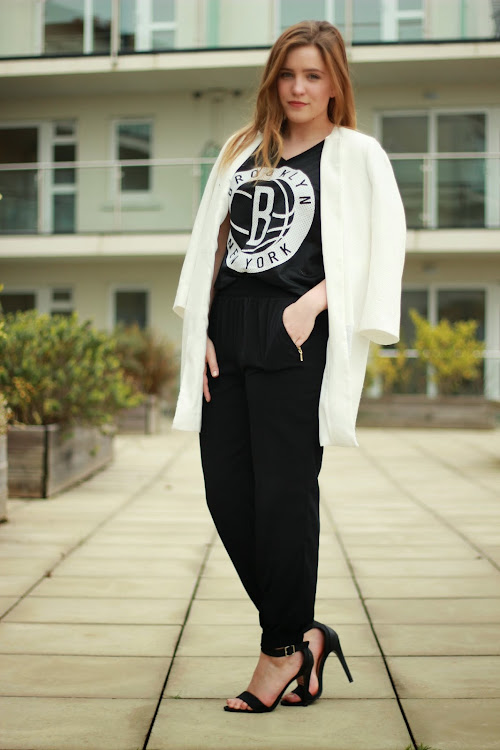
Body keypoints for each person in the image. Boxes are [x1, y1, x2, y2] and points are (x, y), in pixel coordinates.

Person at [172, 20, 406, 713]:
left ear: (335, 83)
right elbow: (212, 242)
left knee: (283, 497)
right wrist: (202, 327)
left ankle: (279, 653)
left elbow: (383, 246)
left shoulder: (356, 154)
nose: (298, 87)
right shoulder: (242, 149)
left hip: (295, 336)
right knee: (227, 495)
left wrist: (315, 303)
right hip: (228, 334)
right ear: (273, 80)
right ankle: (306, 635)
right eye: (288, 74)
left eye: (313, 75)